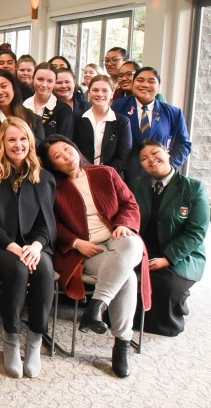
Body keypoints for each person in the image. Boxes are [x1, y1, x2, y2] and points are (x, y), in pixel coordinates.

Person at [40, 135, 147, 378]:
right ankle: (122, 343)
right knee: (128, 278)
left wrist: (124, 225)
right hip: (87, 251)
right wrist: (77, 242)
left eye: (67, 149)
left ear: (76, 148)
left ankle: (96, 307)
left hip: (118, 241)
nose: (66, 157)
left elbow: (129, 203)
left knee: (133, 243)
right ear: (52, 164)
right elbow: (52, 222)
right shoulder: (54, 186)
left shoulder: (105, 173)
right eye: (57, 156)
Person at [0, 117, 57, 379]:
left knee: (44, 271)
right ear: (2, 144)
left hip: (34, 248)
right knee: (18, 270)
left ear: (30, 141)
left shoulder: (44, 177)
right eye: (11, 140)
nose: (18, 145)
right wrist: (14, 247)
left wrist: (37, 246)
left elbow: (46, 222)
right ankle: (11, 340)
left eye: (22, 139)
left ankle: (34, 342)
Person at [133, 141, 208, 337]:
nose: (151, 159)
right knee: (130, 279)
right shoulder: (138, 186)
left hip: (181, 255)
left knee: (165, 285)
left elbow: (196, 232)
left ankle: (173, 312)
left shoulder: (193, 188)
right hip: (146, 252)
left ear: (167, 154)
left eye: (155, 153)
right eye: (144, 158)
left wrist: (167, 259)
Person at [111, 67, 191, 181]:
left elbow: (184, 144)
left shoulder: (173, 113)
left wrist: (166, 165)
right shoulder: (117, 107)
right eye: (140, 80)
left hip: (157, 178)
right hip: (123, 177)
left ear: (158, 87)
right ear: (133, 84)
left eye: (151, 81)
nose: (145, 85)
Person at [74, 75, 132, 177]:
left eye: (105, 90)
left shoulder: (122, 122)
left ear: (112, 93)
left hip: (112, 177)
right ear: (89, 92)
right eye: (95, 90)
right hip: (83, 176)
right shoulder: (78, 119)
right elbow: (75, 150)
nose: (99, 94)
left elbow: (124, 155)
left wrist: (105, 174)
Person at [23, 62, 74, 139]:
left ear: (55, 83)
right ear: (33, 78)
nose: (44, 85)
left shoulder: (64, 110)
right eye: (40, 79)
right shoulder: (23, 105)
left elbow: (63, 142)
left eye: (50, 81)